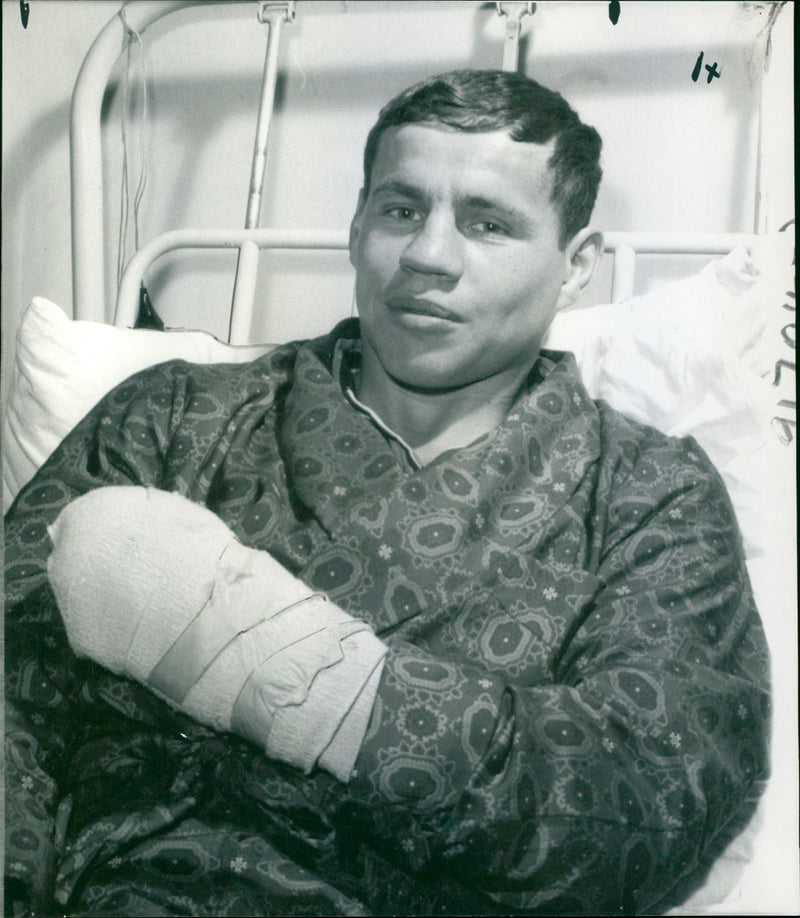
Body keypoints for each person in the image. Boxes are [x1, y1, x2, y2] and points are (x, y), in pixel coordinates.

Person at [4, 69, 769, 917]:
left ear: (576, 265)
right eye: (401, 210)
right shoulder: (175, 416)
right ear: (358, 223)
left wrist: (322, 688)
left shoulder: (648, 495)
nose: (428, 257)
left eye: (488, 224)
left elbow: (657, 797)